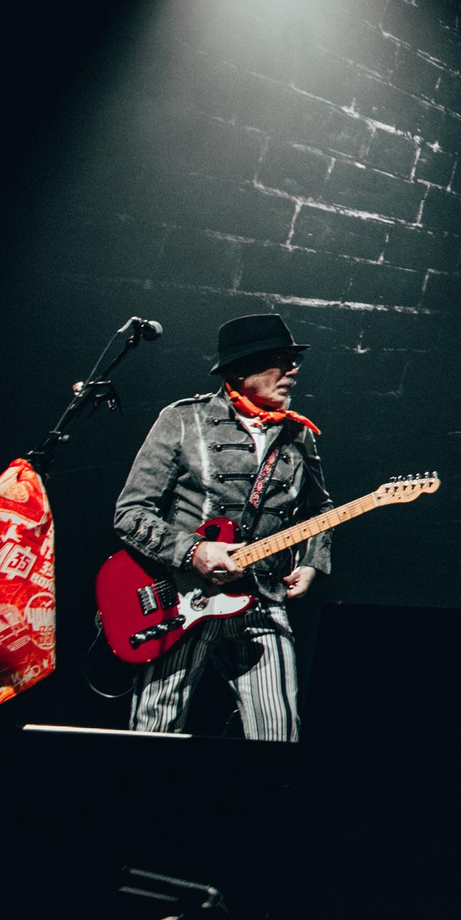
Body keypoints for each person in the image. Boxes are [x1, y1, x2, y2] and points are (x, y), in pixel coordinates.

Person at [113, 313, 332, 740]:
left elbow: (317, 510)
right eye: (278, 360)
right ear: (238, 370)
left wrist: (312, 561)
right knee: (153, 733)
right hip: (181, 600)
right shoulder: (183, 420)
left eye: (294, 361)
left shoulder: (299, 436)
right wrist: (193, 551)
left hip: (261, 600)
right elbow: (130, 513)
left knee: (279, 736)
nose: (292, 371)